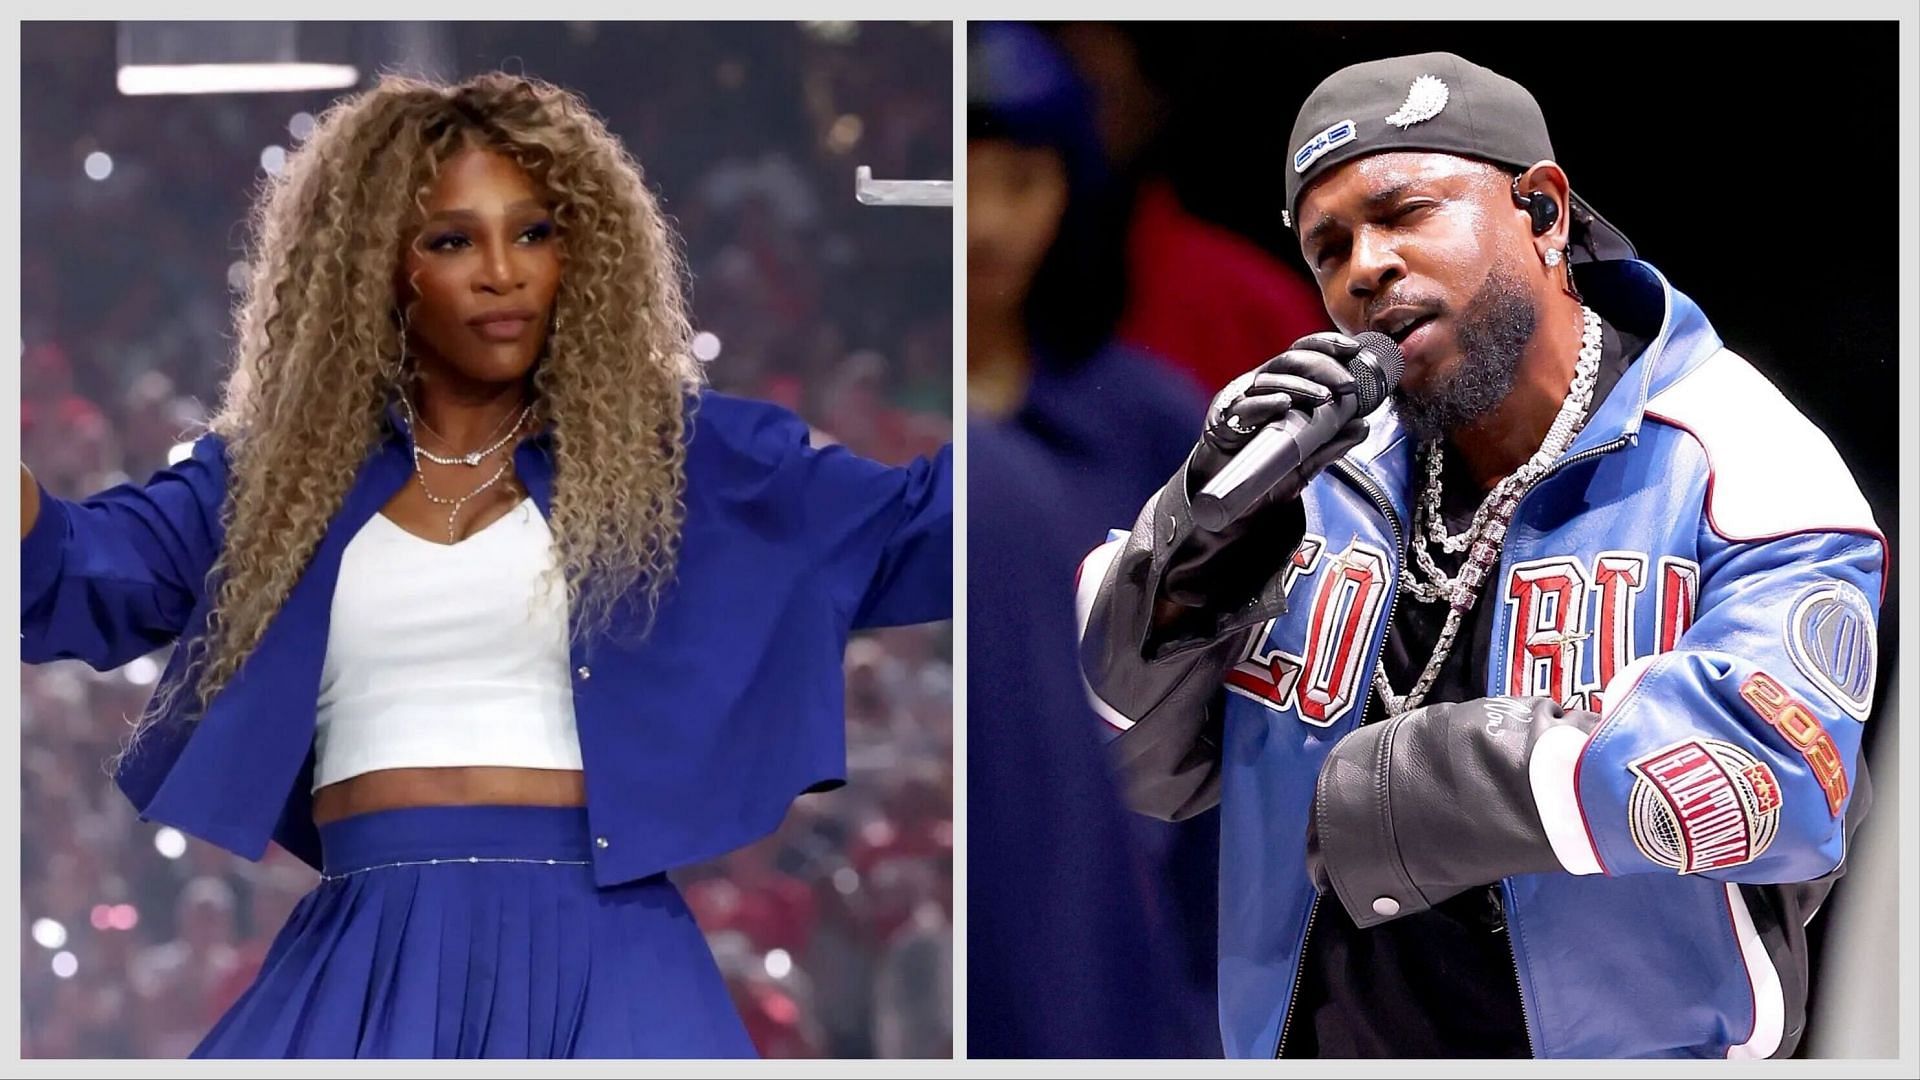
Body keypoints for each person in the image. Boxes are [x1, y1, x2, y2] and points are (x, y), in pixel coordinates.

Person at [20, 72, 951, 1059]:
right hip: (369, 953)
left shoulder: (688, 463)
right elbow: (68, 575)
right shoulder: (269, 484)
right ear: (380, 265)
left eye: (537, 233)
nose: (504, 271)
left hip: (611, 954)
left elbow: (929, 527)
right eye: (453, 239)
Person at [1076, 52, 1884, 1059]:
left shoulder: (1735, 449)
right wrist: (1193, 548)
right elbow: (1122, 769)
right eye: (1328, 248)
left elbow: (1776, 779)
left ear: (1542, 212)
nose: (1364, 267)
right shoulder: (1305, 464)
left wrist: (1412, 784)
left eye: (1404, 213)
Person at [966, 22, 1219, 1058]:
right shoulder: (827, 422)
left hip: (1115, 957)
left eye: (1020, 181)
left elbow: (1226, 761)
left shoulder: (1160, 434)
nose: (984, 224)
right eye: (955, 180)